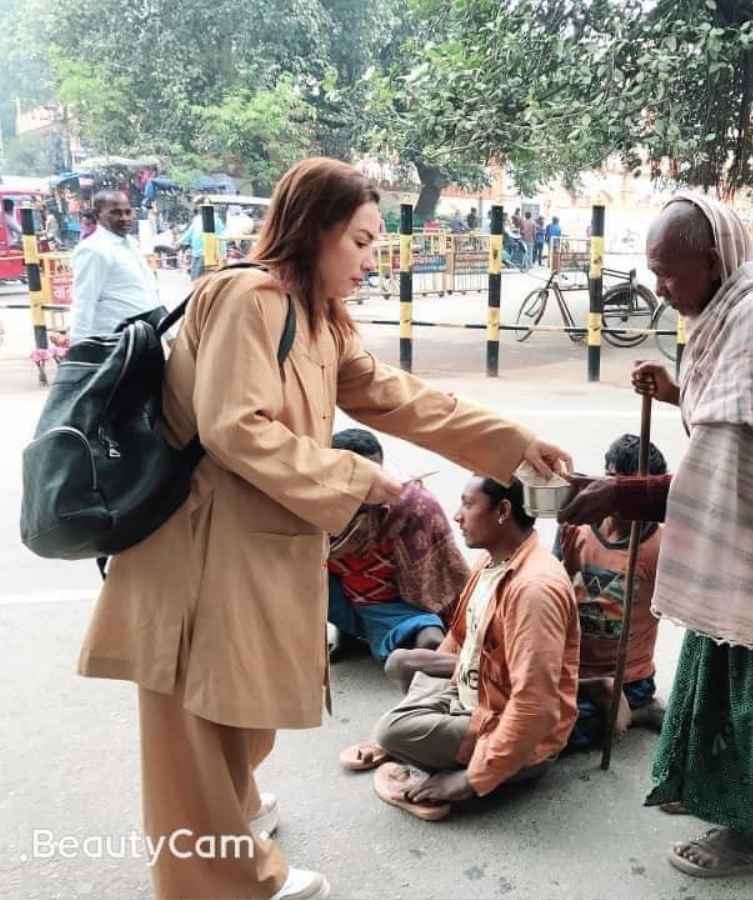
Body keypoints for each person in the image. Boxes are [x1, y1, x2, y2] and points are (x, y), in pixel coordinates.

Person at [76, 157, 573, 900]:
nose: (371, 260)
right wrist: (356, 477)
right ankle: (216, 880)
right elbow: (233, 427)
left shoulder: (315, 316)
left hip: (251, 547)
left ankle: (231, 815)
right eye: (362, 241)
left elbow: (393, 394)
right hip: (195, 549)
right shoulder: (252, 298)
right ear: (315, 231)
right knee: (190, 726)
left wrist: (509, 443)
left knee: (239, 704)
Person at [558, 192, 753, 877]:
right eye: (653, 271)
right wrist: (675, 391)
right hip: (744, 545)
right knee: (716, 675)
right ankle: (714, 795)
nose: (660, 289)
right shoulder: (747, 303)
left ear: (714, 260)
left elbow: (728, 471)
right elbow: (740, 417)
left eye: (669, 273)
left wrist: (622, 493)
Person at [352, 475, 579, 821]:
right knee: (400, 662)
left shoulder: (534, 590)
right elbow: (460, 638)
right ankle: (422, 744)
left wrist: (470, 781)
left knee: (390, 730)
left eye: (468, 504)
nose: (457, 515)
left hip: (512, 728)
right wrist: (445, 688)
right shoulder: (491, 561)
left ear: (503, 511)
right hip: (475, 691)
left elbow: (535, 705)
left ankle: (434, 763)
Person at [555, 434, 668, 752]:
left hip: (628, 679)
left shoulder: (661, 547)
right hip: (572, 671)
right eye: (609, 478)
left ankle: (638, 705)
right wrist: (569, 567)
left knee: (558, 730)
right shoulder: (575, 527)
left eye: (627, 488)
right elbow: (546, 601)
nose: (614, 493)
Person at [326, 428, 468, 665]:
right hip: (343, 596)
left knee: (430, 639)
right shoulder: (316, 499)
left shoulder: (414, 506)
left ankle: (435, 662)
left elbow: (437, 579)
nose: (367, 485)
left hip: (399, 604)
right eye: (355, 476)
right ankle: (348, 634)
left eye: (373, 475)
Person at [69, 191, 160, 340]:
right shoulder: (94, 249)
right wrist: (79, 350)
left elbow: (149, 294)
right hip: (114, 343)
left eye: (127, 212)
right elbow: (83, 302)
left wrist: (169, 337)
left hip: (143, 339)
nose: (124, 218)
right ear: (98, 215)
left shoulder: (131, 244)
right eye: (115, 213)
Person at [178, 205, 226, 280]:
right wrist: (179, 242)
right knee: (193, 276)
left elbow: (221, 238)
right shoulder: (197, 220)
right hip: (196, 252)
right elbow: (189, 233)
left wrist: (223, 255)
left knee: (198, 277)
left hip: (207, 252)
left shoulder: (216, 221)